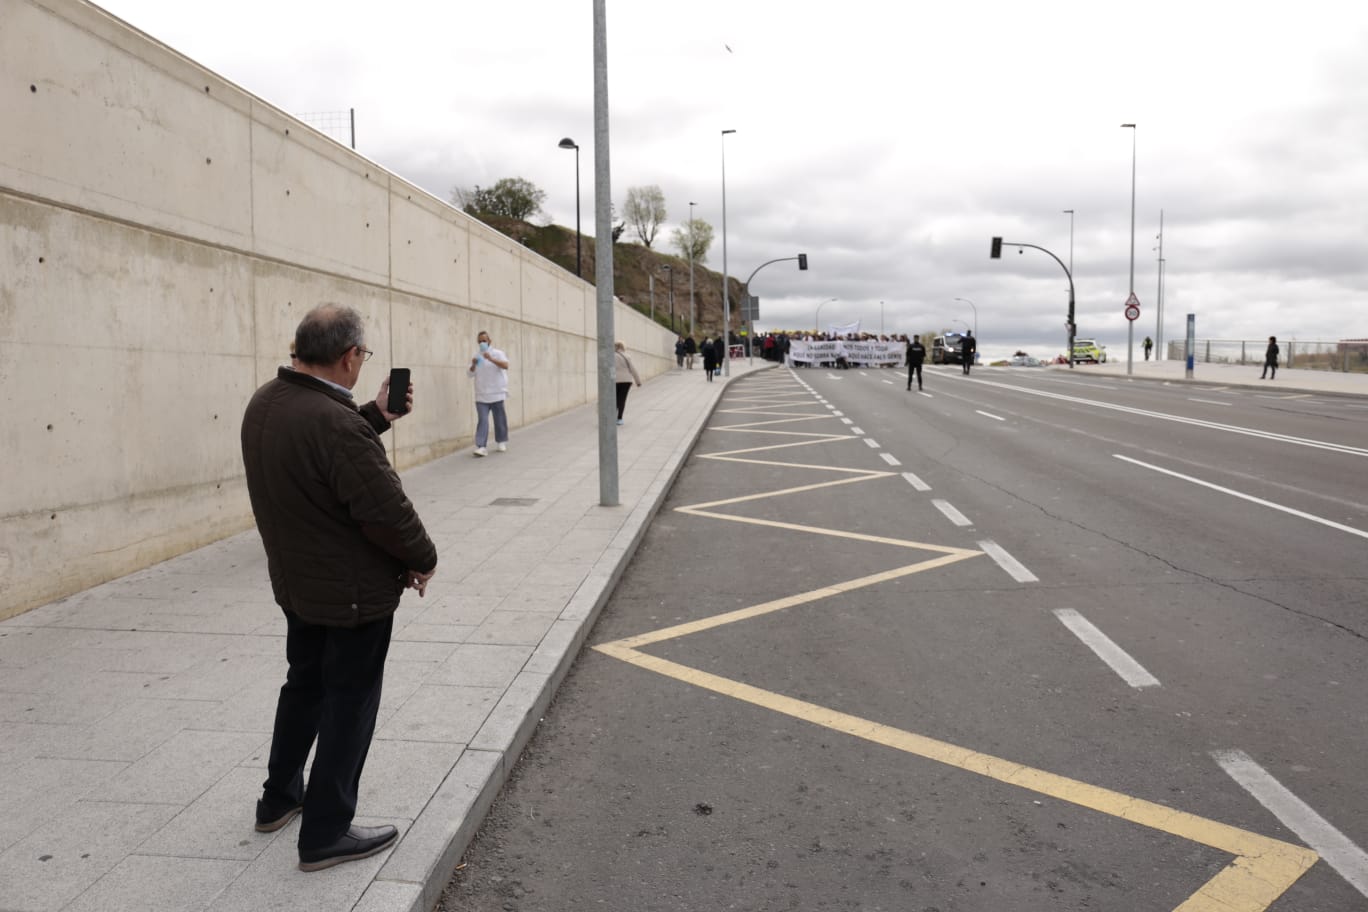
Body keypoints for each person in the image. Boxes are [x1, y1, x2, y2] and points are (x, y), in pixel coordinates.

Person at [241, 304, 437, 873]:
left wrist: (374, 415)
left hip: (298, 584)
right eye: (363, 355)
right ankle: (326, 833)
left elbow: (317, 460)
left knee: (304, 686)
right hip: (352, 595)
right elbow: (385, 510)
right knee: (349, 704)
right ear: (350, 356)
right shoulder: (336, 424)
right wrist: (422, 558)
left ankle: (279, 799)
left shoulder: (266, 403)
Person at [468, 330, 510, 455]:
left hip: (497, 393)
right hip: (481, 395)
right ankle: (481, 446)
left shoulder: (498, 353)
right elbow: (470, 374)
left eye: (484, 341)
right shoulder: (477, 356)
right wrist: (473, 365)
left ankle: (501, 441)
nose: (482, 343)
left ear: (489, 341)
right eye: (480, 341)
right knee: (483, 420)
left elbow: (506, 365)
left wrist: (491, 359)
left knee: (499, 419)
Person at [613, 341, 643, 425]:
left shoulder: (611, 356)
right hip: (627, 381)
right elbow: (633, 369)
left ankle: (612, 416)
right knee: (622, 399)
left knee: (614, 399)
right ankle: (619, 418)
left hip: (615, 380)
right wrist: (638, 381)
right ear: (622, 347)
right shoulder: (627, 356)